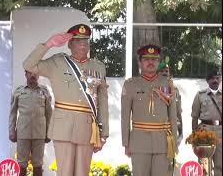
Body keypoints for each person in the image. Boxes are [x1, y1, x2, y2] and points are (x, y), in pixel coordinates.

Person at [23, 24, 109, 176]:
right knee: (65, 172)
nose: (83, 44)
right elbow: (28, 65)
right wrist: (49, 44)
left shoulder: (98, 67)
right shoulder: (57, 62)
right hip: (64, 127)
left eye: (86, 41)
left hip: (87, 128)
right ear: (69, 44)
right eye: (77, 41)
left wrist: (103, 133)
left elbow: (102, 102)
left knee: (82, 172)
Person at [121, 44, 178, 176]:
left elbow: (173, 116)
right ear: (140, 63)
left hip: (163, 143)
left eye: (154, 59)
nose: (150, 62)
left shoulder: (167, 84)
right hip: (139, 142)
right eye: (146, 59)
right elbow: (125, 116)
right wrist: (126, 143)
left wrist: (173, 142)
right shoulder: (130, 84)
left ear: (159, 62)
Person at [9, 70, 52, 176]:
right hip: (23, 133)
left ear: (38, 75)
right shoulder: (19, 91)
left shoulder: (44, 91)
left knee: (38, 165)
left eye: (35, 73)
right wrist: (11, 131)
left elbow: (49, 113)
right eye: (30, 73)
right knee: (21, 164)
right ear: (25, 74)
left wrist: (49, 132)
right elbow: (13, 113)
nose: (33, 75)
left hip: (39, 133)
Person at [191, 70, 222, 176]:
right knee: (204, 164)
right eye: (212, 78)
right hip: (204, 132)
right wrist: (194, 135)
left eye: (218, 78)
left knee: (220, 164)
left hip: (220, 132)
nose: (215, 80)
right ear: (207, 81)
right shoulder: (200, 95)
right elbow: (194, 117)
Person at [157, 62, 183, 145]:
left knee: (172, 157)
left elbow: (178, 112)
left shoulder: (175, 90)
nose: (164, 73)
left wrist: (180, 132)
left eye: (166, 71)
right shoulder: (152, 89)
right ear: (156, 74)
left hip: (172, 129)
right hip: (156, 129)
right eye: (161, 71)